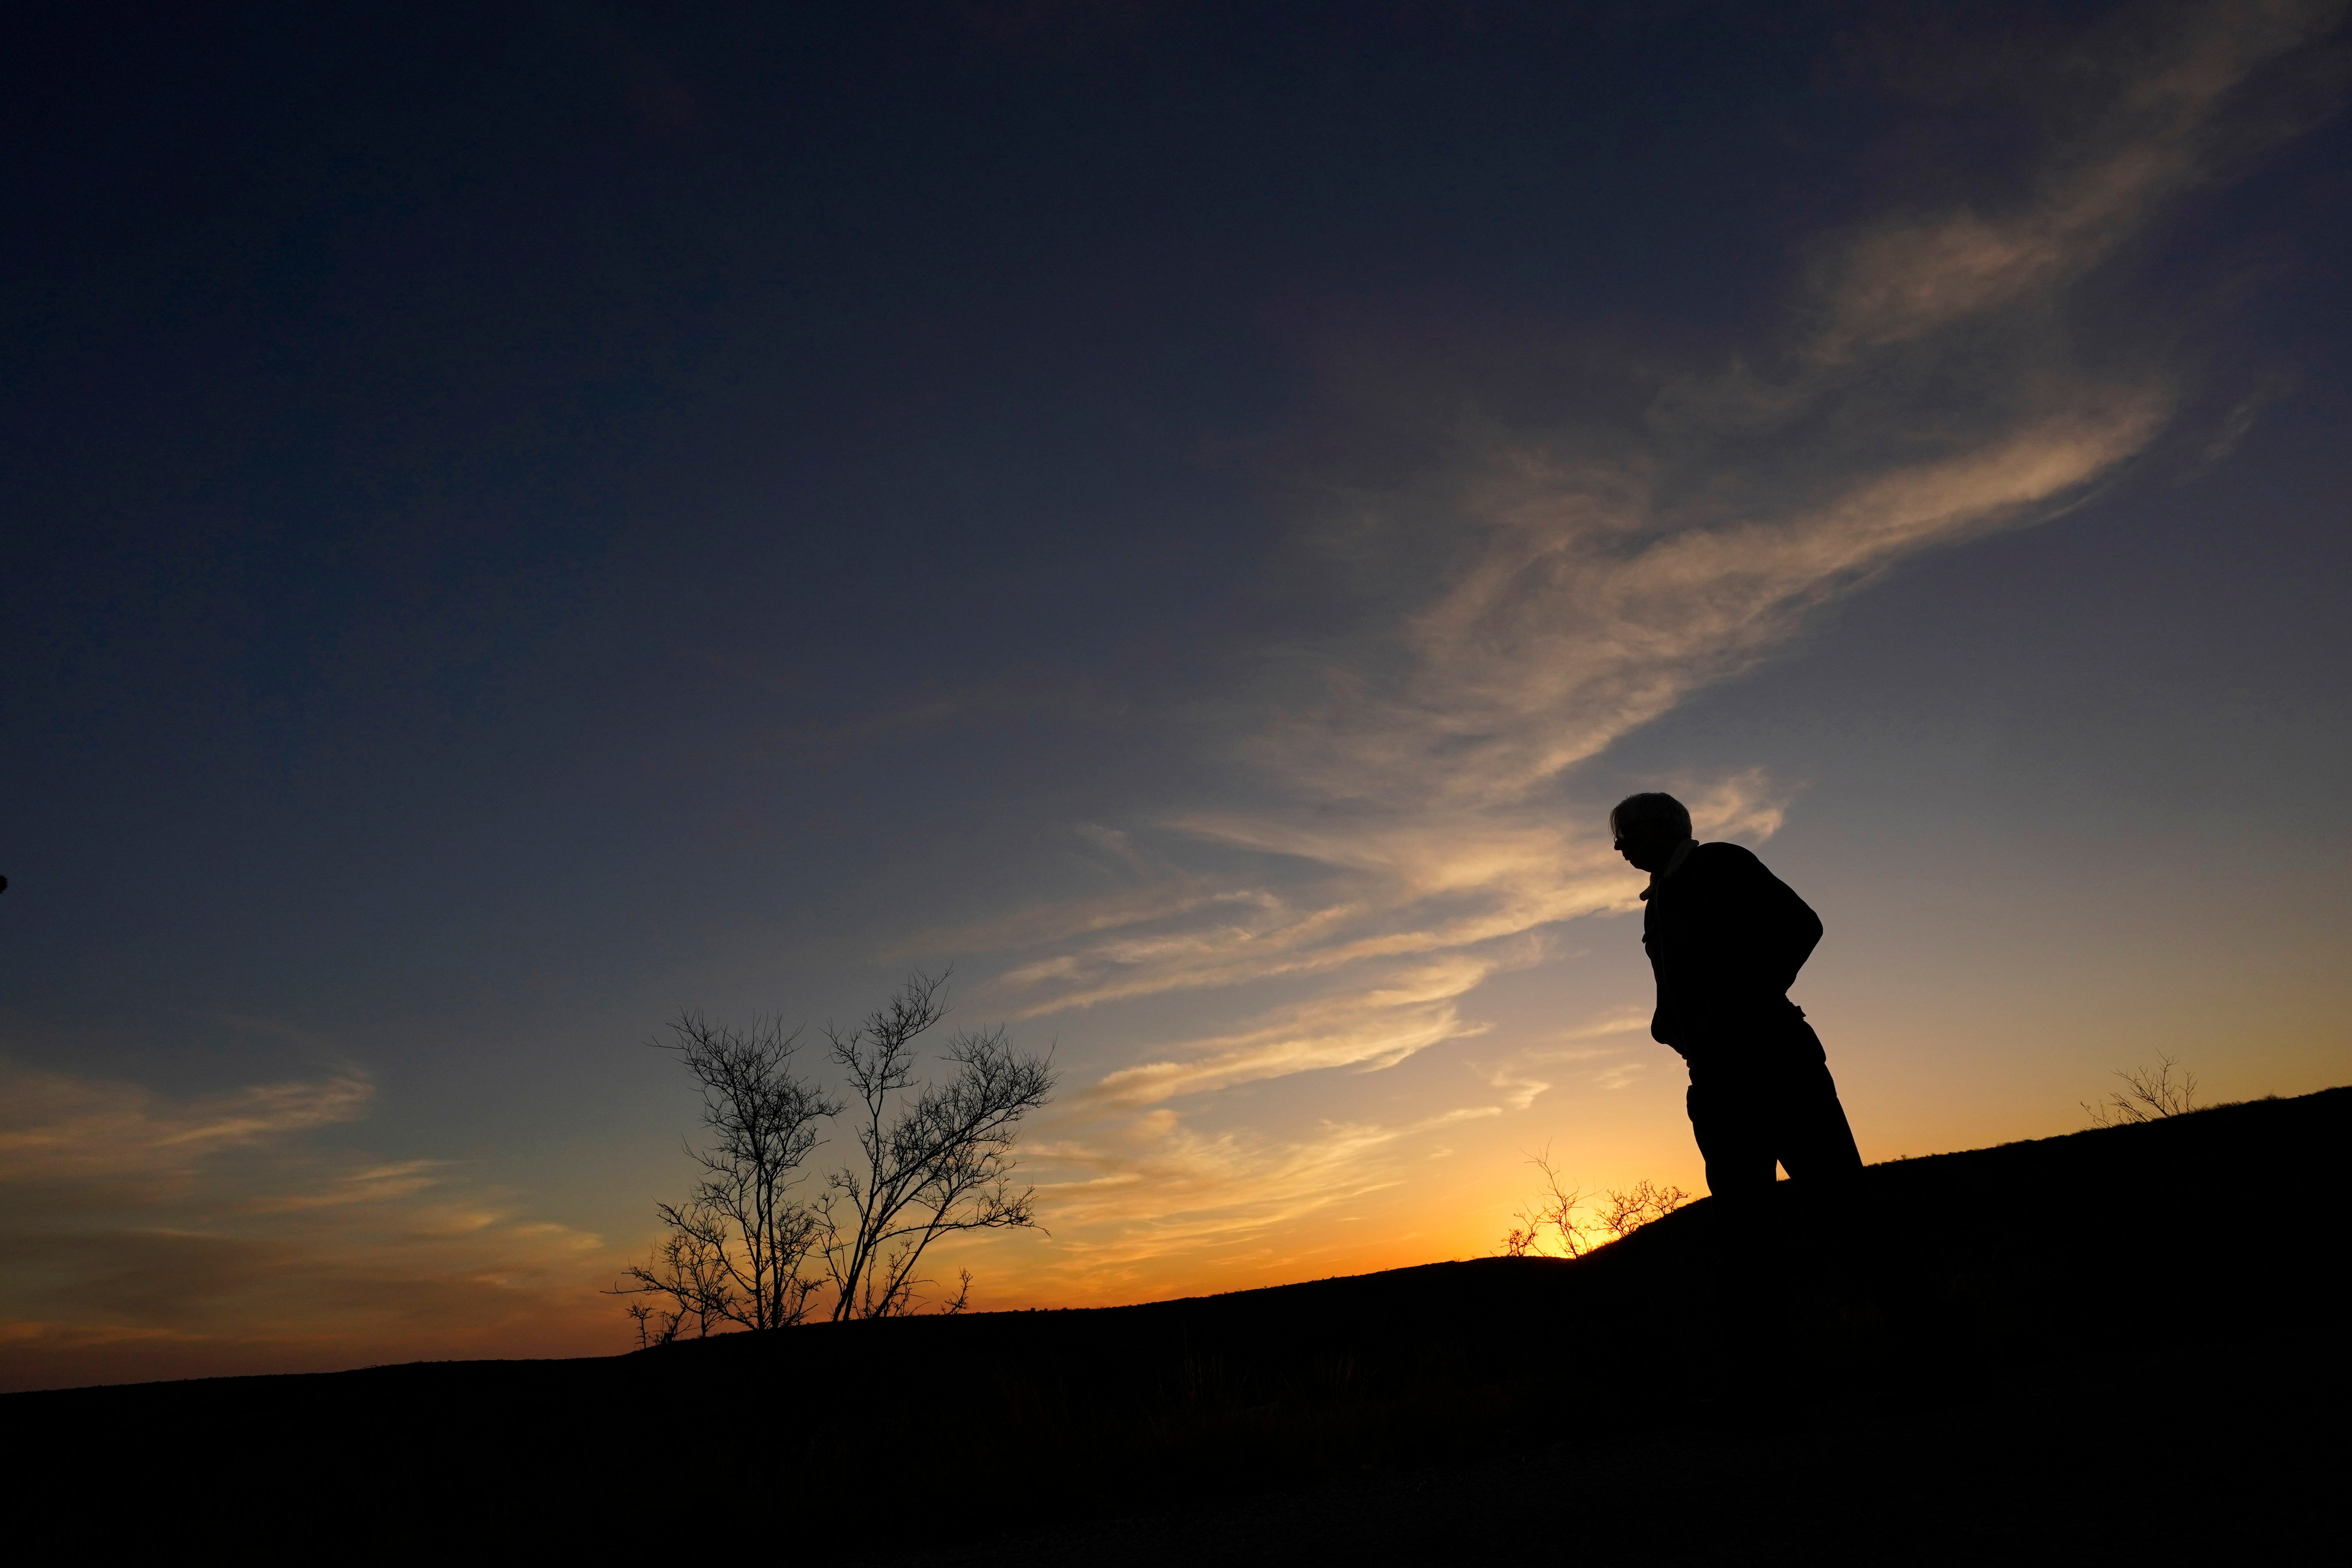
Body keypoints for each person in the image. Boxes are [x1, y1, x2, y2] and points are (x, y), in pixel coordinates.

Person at [1611, 791, 1867, 1377]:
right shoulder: (1657, 906)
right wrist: (1668, 1026)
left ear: (1664, 828)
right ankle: (1766, 1392)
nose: (1621, 847)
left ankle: (1944, 1361)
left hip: (1776, 1066)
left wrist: (1749, 1000)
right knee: (1744, 1242)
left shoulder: (1720, 865)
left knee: (1851, 1216)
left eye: (1629, 833)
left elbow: (1802, 926)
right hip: (1717, 1083)